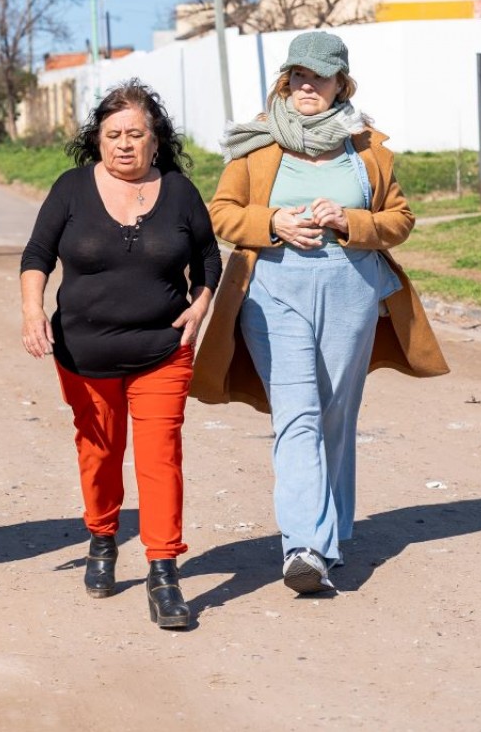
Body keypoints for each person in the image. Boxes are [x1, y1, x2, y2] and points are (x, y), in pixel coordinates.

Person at [191, 30, 449, 595]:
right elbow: (220, 213)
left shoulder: (367, 147)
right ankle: (304, 546)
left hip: (351, 290)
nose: (308, 87)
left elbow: (400, 220)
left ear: (341, 85)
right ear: (286, 81)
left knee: (334, 414)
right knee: (298, 412)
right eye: (299, 77)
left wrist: (348, 221)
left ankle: (328, 538)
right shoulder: (257, 144)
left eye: (320, 78)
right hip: (272, 291)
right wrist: (271, 221)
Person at [20, 80, 222, 629]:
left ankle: (164, 573)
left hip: (163, 349)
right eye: (113, 135)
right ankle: (103, 536)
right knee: (100, 454)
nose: (125, 144)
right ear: (98, 139)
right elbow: (37, 254)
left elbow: (208, 257)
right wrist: (33, 311)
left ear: (156, 140)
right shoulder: (71, 189)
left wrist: (200, 305)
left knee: (160, 458)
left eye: (136, 134)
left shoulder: (179, 192)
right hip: (83, 354)